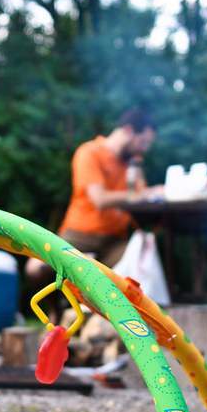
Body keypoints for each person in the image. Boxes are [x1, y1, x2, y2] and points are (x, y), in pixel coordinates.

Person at [25, 107, 163, 318]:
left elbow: (141, 194)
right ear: (128, 130)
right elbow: (99, 200)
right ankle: (57, 312)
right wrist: (136, 194)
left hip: (114, 241)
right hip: (79, 234)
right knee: (35, 269)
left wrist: (147, 188)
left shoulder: (133, 163)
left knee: (141, 261)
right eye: (142, 142)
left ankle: (123, 325)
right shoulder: (89, 153)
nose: (143, 149)